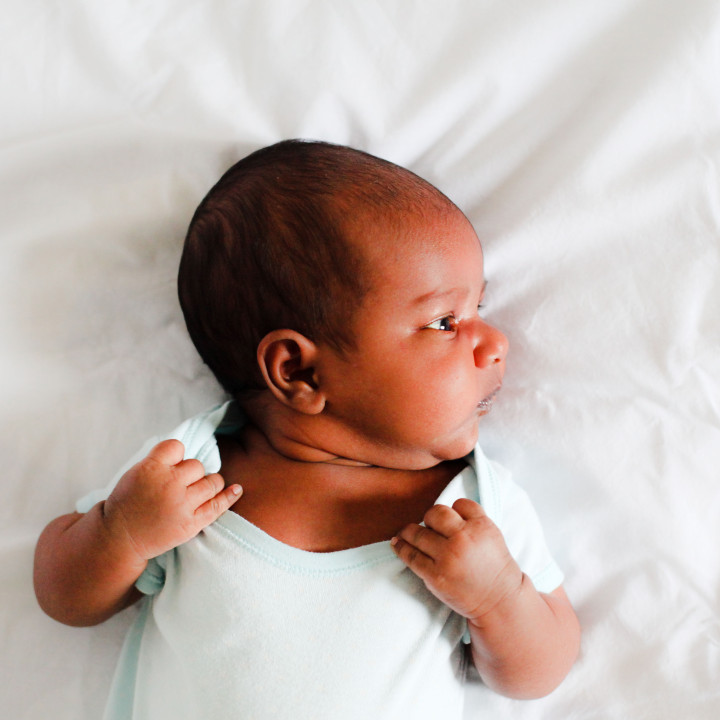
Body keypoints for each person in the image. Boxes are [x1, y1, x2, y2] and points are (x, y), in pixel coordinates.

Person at [34, 140, 580, 719]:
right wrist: (120, 532)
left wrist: (498, 597)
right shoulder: (188, 475)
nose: (494, 344)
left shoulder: (474, 511)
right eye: (446, 321)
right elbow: (64, 597)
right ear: (299, 371)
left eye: (478, 310)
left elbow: (538, 673)